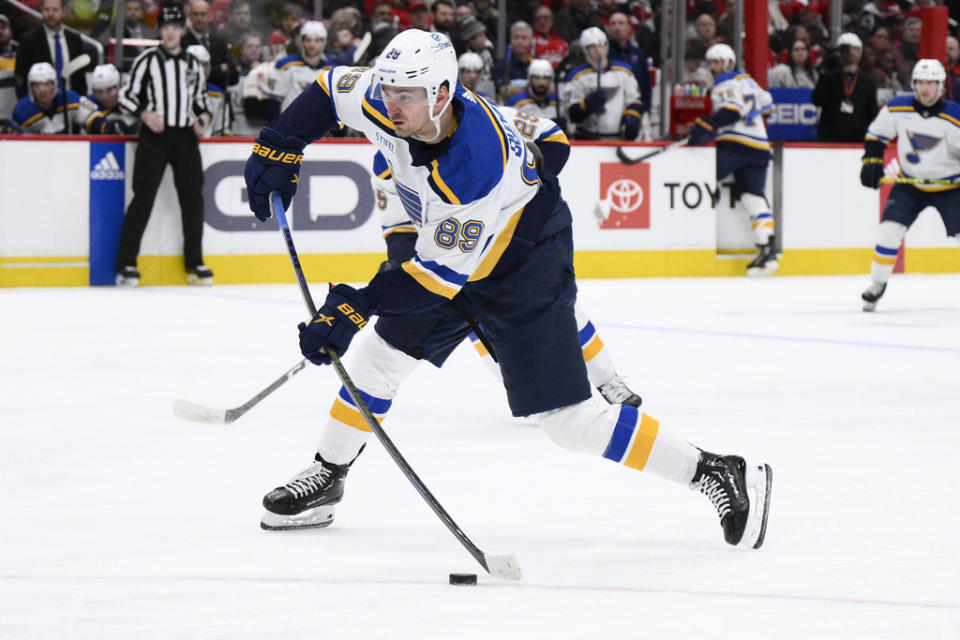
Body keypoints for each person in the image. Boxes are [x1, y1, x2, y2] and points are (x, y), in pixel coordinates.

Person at [242, 29, 772, 549]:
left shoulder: (473, 163)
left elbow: (432, 280)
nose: (390, 104)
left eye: (406, 95)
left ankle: (714, 470)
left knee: (569, 423)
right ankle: (329, 474)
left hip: (524, 260)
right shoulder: (388, 99)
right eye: (387, 90)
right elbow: (329, 89)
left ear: (442, 94)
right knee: (378, 360)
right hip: (450, 246)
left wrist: (358, 304)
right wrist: (279, 144)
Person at [115, 4, 213, 287]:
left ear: (182, 30)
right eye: (165, 28)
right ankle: (126, 263)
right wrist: (145, 114)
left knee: (193, 200)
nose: (170, 33)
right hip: (154, 138)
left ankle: (195, 261)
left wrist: (203, 117)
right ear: (159, 30)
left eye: (175, 28)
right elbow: (127, 97)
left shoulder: (193, 63)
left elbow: (200, 100)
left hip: (185, 137)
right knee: (142, 199)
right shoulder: (147, 60)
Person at [858, 59, 960, 312]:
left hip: (951, 187)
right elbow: (875, 136)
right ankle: (877, 283)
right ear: (913, 84)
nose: (926, 88)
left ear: (941, 86)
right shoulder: (897, 108)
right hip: (910, 183)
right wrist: (871, 160)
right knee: (888, 231)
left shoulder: (955, 116)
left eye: (931, 83)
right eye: (921, 82)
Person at [688, 44, 778, 276]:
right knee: (752, 197)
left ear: (728, 62)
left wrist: (710, 123)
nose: (714, 67)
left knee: (701, 175)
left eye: (718, 62)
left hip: (736, 144)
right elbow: (768, 104)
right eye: (712, 63)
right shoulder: (748, 81)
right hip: (760, 146)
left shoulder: (724, 83)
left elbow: (732, 110)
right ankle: (767, 249)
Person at [565, 27, 643, 141]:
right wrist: (586, 104)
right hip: (587, 140)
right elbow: (571, 113)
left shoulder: (624, 71)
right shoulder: (577, 76)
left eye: (601, 45)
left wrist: (632, 117)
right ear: (585, 51)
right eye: (592, 47)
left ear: (607, 46)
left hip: (617, 139)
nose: (598, 50)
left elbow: (634, 100)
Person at [14, 0, 92, 98]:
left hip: (71, 101)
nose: (50, 13)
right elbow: (21, 77)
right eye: (47, 10)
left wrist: (81, 98)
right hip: (41, 103)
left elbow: (80, 76)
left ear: (64, 12)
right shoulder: (28, 41)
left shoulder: (74, 39)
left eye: (55, 10)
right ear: (41, 11)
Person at [811, 32, 878, 143]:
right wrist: (823, 73)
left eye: (855, 49)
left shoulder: (868, 82)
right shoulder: (829, 77)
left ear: (860, 52)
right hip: (830, 137)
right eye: (846, 49)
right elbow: (817, 100)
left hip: (858, 139)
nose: (851, 53)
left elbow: (872, 113)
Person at [265, 20, 327, 113]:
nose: (312, 44)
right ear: (302, 41)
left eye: (317, 40)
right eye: (308, 40)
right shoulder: (285, 65)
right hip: (289, 126)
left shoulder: (332, 70)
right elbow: (273, 102)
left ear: (324, 42)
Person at [11, 60, 85, 133]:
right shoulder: (22, 110)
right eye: (37, 85)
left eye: (47, 84)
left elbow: (94, 120)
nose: (42, 90)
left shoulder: (71, 98)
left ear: (54, 85)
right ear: (30, 88)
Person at [183, 0, 238, 90]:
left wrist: (207, 73)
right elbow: (187, 76)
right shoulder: (183, 42)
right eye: (195, 14)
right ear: (189, 17)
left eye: (203, 14)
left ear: (210, 16)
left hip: (217, 98)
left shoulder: (220, 42)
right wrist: (219, 70)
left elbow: (234, 77)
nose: (199, 18)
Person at [79, 63, 137, 133]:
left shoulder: (131, 103)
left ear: (119, 87)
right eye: (99, 92)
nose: (104, 96)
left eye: (109, 90)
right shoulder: (88, 103)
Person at [186, 44, 232, 135]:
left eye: (205, 64)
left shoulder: (218, 95)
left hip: (210, 146)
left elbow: (222, 130)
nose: (202, 69)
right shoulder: (174, 93)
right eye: (197, 64)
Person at [506, 58, 563, 129]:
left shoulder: (558, 104)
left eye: (545, 78)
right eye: (536, 78)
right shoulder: (516, 103)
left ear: (551, 80)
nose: (541, 83)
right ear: (529, 79)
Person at [492, 21, 534, 103]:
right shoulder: (502, 65)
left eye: (524, 38)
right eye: (516, 37)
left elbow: (550, 89)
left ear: (530, 41)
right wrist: (534, 89)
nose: (519, 41)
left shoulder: (535, 64)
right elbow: (505, 90)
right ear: (510, 40)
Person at [0, 14, 18, 123]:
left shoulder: (23, 55)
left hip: (18, 112)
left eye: (3, 27)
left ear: (11, 31)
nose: (0, 31)